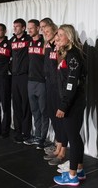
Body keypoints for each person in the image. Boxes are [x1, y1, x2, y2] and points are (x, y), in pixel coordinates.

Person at [53, 24, 87, 186]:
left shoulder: (73, 56)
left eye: (60, 35)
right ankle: (79, 169)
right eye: (57, 35)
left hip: (73, 103)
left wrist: (63, 106)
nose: (57, 38)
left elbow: (71, 84)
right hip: (71, 101)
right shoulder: (67, 54)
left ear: (69, 36)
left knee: (73, 138)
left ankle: (72, 176)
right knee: (75, 137)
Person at [42, 22, 67, 166]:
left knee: (60, 119)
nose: (45, 33)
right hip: (49, 85)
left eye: (47, 30)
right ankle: (58, 146)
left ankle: (62, 151)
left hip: (58, 87)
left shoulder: (59, 47)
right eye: (44, 31)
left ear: (55, 30)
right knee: (52, 115)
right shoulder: (47, 45)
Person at [23, 19, 49, 149]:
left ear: (38, 28)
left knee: (44, 111)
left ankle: (42, 138)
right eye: (28, 28)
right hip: (30, 81)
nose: (29, 30)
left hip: (42, 82)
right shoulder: (27, 42)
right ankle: (37, 135)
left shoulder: (45, 41)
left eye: (31, 28)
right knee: (35, 111)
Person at [10, 18, 33, 143]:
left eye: (17, 26)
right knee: (16, 104)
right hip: (14, 77)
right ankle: (18, 131)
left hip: (25, 76)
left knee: (26, 105)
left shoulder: (29, 39)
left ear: (23, 28)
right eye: (14, 26)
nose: (15, 28)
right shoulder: (12, 40)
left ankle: (26, 132)